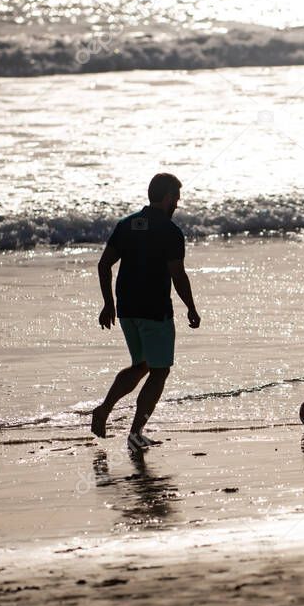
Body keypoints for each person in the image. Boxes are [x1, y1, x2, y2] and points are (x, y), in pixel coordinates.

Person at [91, 173, 200, 451]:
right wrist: (191, 307)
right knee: (160, 371)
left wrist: (109, 304)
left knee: (141, 366)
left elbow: (104, 266)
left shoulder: (127, 225)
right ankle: (136, 432)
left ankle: (104, 410)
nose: (177, 203)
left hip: (127, 309)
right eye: (175, 197)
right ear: (165, 197)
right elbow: (178, 274)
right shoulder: (170, 231)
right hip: (154, 310)